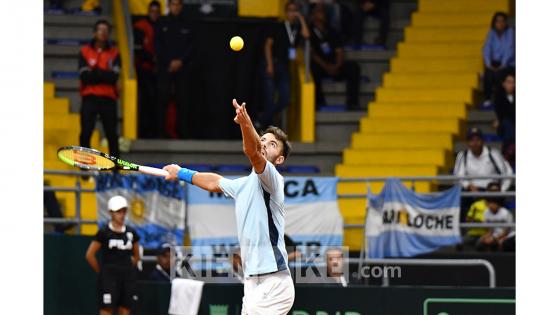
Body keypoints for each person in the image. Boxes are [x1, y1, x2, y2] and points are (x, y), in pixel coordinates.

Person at [163, 99, 295, 314]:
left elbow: (253, 152)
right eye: (263, 139)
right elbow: (214, 182)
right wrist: (181, 173)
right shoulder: (243, 185)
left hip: (274, 281)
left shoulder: (273, 179)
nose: (264, 144)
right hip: (253, 281)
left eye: (272, 144)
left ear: (279, 159)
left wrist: (246, 123)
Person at [259, 0, 310, 129]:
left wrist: (301, 18)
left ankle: (262, 119)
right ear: (286, 12)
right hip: (273, 63)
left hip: (284, 66)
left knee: (285, 98)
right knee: (269, 98)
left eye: (295, 11)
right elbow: (268, 45)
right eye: (290, 10)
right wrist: (269, 64)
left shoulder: (297, 28)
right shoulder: (278, 26)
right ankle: (264, 124)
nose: (292, 13)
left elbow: (306, 35)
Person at [85, 196, 140, 315]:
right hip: (109, 278)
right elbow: (90, 255)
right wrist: (101, 272)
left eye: (124, 211)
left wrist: (128, 268)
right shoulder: (104, 232)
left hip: (127, 278)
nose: (122, 215)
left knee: (125, 309)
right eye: (118, 211)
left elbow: (137, 255)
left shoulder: (131, 232)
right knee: (107, 309)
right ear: (111, 213)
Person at [78, 20, 121, 159]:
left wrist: (95, 72)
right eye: (100, 30)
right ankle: (84, 167)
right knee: (86, 133)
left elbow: (114, 77)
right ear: (94, 32)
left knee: (112, 135)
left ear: (109, 34)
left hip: (109, 99)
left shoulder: (115, 53)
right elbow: (84, 77)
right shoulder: (84, 51)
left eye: (106, 30)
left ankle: (115, 170)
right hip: (89, 98)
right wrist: (104, 74)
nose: (103, 33)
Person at [453, 127, 514, 220]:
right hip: (473, 190)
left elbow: (507, 173)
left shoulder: (493, 154)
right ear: (467, 143)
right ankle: (464, 228)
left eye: (478, 140)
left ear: (483, 141)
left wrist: (501, 190)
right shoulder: (462, 155)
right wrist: (468, 185)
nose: (475, 143)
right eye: (471, 140)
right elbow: (458, 176)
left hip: (492, 190)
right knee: (460, 196)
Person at [154, 0, 194, 138]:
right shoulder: (161, 22)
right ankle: (160, 134)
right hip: (165, 68)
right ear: (169, 6)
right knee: (162, 101)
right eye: (173, 4)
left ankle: (183, 133)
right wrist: (168, 62)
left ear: (181, 6)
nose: (176, 7)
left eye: (178, 4)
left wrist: (180, 61)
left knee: (183, 100)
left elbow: (192, 46)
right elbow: (157, 45)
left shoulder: (187, 23)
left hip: (183, 69)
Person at [309, 4, 361, 110]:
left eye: (323, 12)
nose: (322, 14)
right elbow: (312, 54)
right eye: (319, 12)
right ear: (313, 15)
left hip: (335, 65)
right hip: (321, 66)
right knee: (313, 70)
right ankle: (320, 103)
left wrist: (337, 65)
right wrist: (326, 66)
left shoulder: (332, 30)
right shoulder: (309, 32)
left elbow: (340, 51)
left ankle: (352, 102)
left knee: (353, 67)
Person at [134, 1, 161, 139]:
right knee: (145, 103)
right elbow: (138, 50)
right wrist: (152, 59)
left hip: (160, 72)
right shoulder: (140, 26)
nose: (154, 14)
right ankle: (145, 133)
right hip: (144, 71)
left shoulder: (163, 26)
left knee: (159, 103)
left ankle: (157, 134)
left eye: (157, 12)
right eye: (152, 11)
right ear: (148, 12)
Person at [482, 12, 515, 106]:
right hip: (495, 62)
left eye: (502, 21)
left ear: (505, 23)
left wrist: (503, 65)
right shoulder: (491, 33)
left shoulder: (510, 32)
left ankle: (500, 99)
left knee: (500, 74)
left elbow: (510, 50)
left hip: (509, 63)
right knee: (488, 73)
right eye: (498, 21)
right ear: (494, 23)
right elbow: (486, 48)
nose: (500, 23)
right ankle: (487, 98)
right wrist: (488, 64)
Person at [461, 182, 499, 248]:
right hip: (473, 233)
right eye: (491, 191)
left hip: (487, 235)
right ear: (487, 191)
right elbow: (468, 219)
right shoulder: (476, 204)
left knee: (481, 245)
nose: (493, 193)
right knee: (459, 243)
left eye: (496, 191)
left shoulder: (499, 207)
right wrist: (475, 221)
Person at [493, 72, 515, 161]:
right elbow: (501, 113)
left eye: (513, 82)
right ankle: (509, 151)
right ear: (504, 84)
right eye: (509, 82)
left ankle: (509, 151)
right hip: (505, 124)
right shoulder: (498, 96)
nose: (512, 84)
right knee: (508, 124)